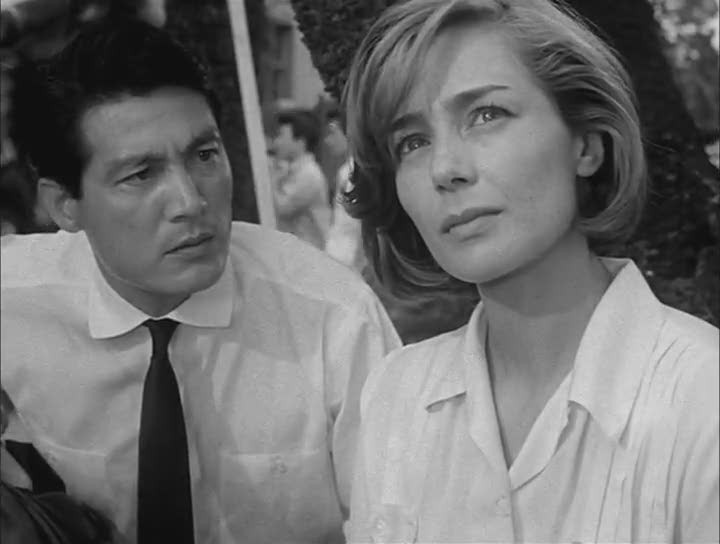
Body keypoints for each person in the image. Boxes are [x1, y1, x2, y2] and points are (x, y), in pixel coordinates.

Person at [1, 18, 400, 544]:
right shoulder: (14, 301)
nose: (191, 201)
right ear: (64, 205)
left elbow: (402, 517)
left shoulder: (333, 319)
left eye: (205, 156)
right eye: (140, 175)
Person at [341, 0, 719, 542]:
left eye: (486, 115)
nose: (446, 169)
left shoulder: (703, 398)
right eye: (413, 142)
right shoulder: (395, 394)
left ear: (586, 144)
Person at [270, 108, 332, 249]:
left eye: (281, 136)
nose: (276, 142)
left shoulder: (309, 174)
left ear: (300, 141)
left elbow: (282, 208)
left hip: (311, 253)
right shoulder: (292, 171)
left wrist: (271, 180)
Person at [323, 108, 365, 273]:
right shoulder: (345, 171)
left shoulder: (357, 173)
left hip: (350, 265)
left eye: (333, 133)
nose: (328, 141)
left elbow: (361, 226)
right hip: (338, 261)